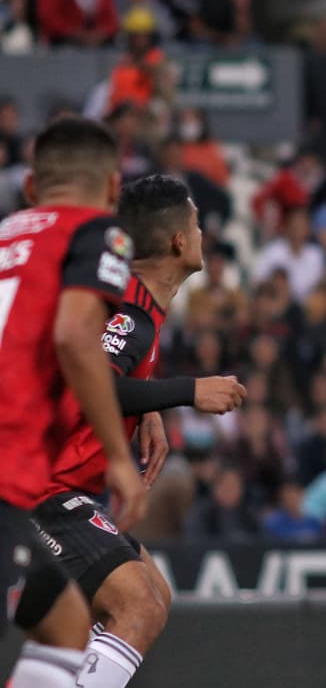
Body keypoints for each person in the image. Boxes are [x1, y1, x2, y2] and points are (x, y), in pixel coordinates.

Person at [31, 174, 246, 688]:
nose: (201, 233)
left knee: (152, 593)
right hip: (34, 485)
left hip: (56, 484)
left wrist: (146, 403)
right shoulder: (129, 308)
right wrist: (188, 391)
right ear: (177, 241)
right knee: (139, 605)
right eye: (195, 223)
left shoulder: (129, 300)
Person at [0, 118, 146, 688]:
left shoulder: (8, 235)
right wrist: (116, 455)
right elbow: (74, 335)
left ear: (33, 188)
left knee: (64, 629)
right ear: (113, 188)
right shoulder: (98, 232)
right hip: (6, 464)